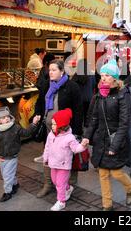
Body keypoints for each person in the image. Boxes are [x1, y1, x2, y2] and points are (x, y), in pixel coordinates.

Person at [82, 59, 131, 211]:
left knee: (117, 173)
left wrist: (115, 145)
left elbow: (124, 123)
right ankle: (107, 205)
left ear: (114, 78)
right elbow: (93, 118)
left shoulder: (123, 94)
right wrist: (87, 136)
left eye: (106, 75)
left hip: (115, 139)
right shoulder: (98, 95)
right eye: (102, 74)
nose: (103, 77)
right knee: (103, 173)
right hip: (101, 139)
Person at [32, 60, 83, 197]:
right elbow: (39, 102)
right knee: (48, 155)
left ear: (62, 71)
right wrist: (37, 114)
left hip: (66, 131)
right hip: (49, 130)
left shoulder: (72, 87)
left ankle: (69, 185)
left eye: (54, 70)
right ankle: (48, 184)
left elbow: (78, 111)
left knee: (68, 157)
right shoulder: (45, 85)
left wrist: (77, 133)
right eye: (50, 70)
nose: (51, 72)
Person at [43, 108, 88, 211]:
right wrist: (46, 158)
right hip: (53, 163)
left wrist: (83, 145)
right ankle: (68, 188)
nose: (52, 126)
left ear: (61, 126)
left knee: (60, 183)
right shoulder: (51, 135)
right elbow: (47, 147)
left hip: (64, 165)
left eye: (54, 124)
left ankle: (61, 201)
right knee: (55, 181)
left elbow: (76, 149)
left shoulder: (69, 137)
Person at [0, 106, 38, 202]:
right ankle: (15, 184)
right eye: (3, 118)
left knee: (7, 176)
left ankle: (8, 192)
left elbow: (26, 132)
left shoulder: (15, 127)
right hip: (2, 158)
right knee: (6, 174)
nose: (6, 118)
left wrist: (33, 124)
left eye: (7, 116)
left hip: (12, 157)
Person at [71, 58, 97, 129]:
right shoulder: (91, 75)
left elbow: (72, 87)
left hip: (78, 99)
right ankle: (87, 132)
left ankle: (79, 131)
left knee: (78, 117)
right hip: (89, 98)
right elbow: (94, 85)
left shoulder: (75, 76)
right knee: (88, 116)